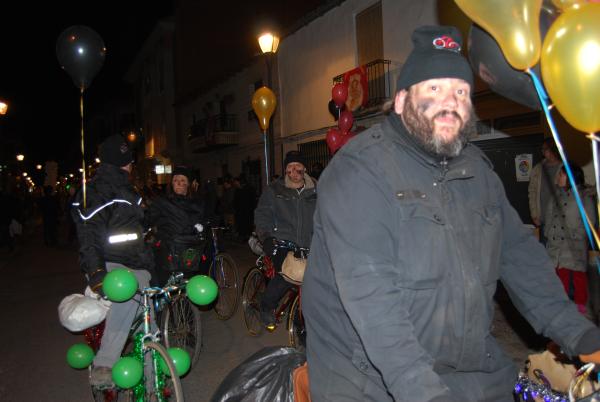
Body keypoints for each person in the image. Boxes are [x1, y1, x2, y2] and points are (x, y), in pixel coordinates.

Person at [302, 25, 600, 402]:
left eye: (461, 91)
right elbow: (372, 298)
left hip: (466, 368)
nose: (451, 101)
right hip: (368, 377)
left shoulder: (477, 169)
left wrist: (581, 336)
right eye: (434, 88)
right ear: (400, 101)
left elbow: (521, 257)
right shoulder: (360, 170)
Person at [71, 134, 155, 388]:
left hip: (136, 261)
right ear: (125, 163)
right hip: (112, 266)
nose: (131, 165)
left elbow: (137, 227)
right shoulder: (97, 191)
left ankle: (153, 381)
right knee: (130, 291)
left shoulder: (127, 190)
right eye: (129, 161)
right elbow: (88, 236)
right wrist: (97, 273)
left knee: (148, 322)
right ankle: (105, 364)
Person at [254, 151, 317, 328]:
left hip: (310, 243)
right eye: (289, 167)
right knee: (289, 274)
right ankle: (267, 307)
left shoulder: (316, 189)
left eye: (297, 166)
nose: (293, 170)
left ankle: (302, 319)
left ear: (304, 168)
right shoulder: (275, 190)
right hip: (282, 242)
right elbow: (263, 214)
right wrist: (266, 238)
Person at [544, 162, 595, 315]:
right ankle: (561, 304)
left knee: (578, 276)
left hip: (573, 244)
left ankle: (580, 305)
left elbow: (590, 222)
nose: (558, 177)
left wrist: (576, 235)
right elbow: (549, 215)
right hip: (555, 244)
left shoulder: (583, 198)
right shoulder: (556, 195)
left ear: (570, 177)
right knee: (560, 275)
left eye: (561, 174)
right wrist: (548, 232)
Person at [146, 165, 206, 285]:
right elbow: (149, 218)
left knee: (188, 284)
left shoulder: (197, 203)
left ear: (188, 183)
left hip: (189, 251)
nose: (178, 183)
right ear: (171, 184)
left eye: (182, 180)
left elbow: (204, 220)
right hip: (167, 250)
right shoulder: (162, 202)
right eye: (175, 180)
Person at [528, 137, 562, 239]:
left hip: (561, 220)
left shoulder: (564, 168)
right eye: (542, 150)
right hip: (543, 219)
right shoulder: (538, 169)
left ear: (553, 149)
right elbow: (532, 192)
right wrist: (534, 214)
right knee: (545, 249)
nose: (543, 152)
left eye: (545, 149)